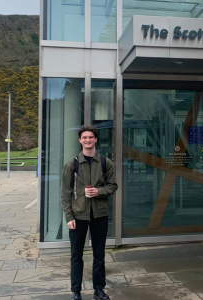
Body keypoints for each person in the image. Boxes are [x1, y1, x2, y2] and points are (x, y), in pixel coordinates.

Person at [60, 125, 117, 300]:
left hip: (99, 214)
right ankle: (76, 292)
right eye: (84, 137)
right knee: (76, 256)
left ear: (95, 139)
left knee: (99, 254)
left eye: (90, 137)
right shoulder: (72, 163)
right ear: (80, 140)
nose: (87, 140)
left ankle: (98, 289)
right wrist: (69, 217)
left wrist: (98, 192)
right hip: (78, 216)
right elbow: (65, 193)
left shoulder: (105, 162)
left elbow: (113, 186)